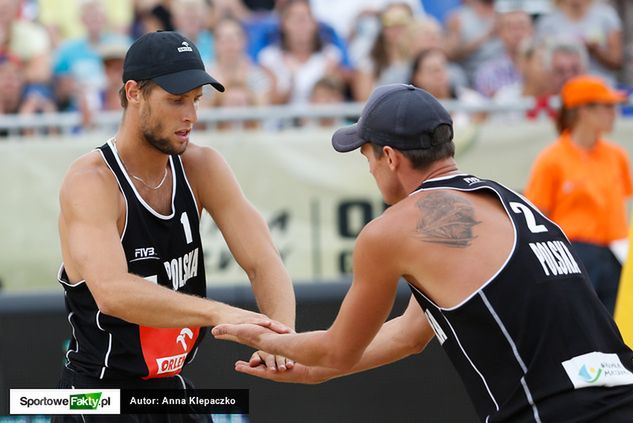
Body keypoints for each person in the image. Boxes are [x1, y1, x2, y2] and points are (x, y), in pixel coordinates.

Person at [213, 83, 633, 422]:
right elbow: (409, 335)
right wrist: (315, 370)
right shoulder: (506, 198)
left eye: (367, 157)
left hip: (553, 410)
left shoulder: (395, 230)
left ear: (391, 158)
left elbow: (337, 349)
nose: (370, 169)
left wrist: (266, 337)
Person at [54, 31, 295, 421]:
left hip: (171, 388)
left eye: (196, 101)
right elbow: (114, 294)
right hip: (95, 393)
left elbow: (264, 259)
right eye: (176, 100)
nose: (191, 116)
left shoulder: (203, 166)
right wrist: (219, 313)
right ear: (133, 92)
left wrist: (281, 335)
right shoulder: (91, 180)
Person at [524, 75, 633, 316]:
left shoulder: (617, 156)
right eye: (607, 106)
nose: (614, 113)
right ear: (584, 111)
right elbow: (537, 218)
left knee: (617, 331)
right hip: (574, 256)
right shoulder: (552, 159)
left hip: (616, 256)